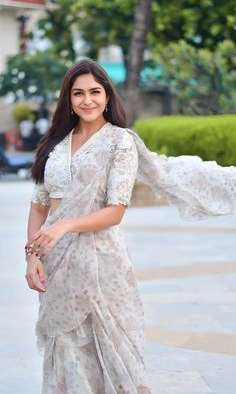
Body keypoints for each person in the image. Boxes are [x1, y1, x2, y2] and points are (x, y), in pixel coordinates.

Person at [25, 58, 236, 394]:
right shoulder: (55, 145)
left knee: (112, 351)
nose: (87, 100)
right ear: (68, 99)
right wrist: (32, 257)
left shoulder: (119, 142)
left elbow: (115, 211)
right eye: (78, 93)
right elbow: (39, 206)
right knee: (67, 349)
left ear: (107, 96)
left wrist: (63, 227)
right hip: (57, 265)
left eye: (95, 92)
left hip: (102, 262)